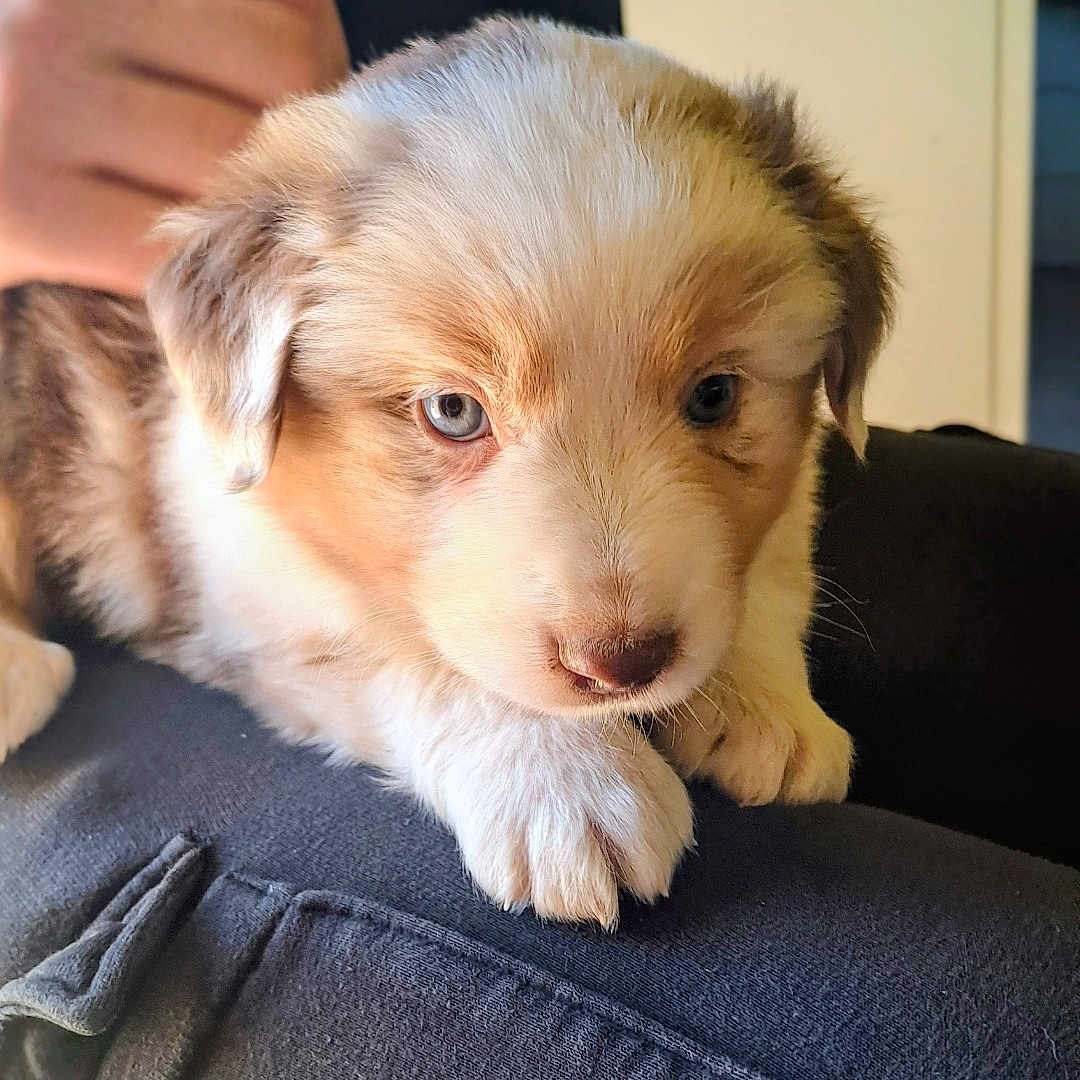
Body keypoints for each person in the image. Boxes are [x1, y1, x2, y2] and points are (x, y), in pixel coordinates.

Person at [1, 4, 1077, 1078]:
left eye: (710, 398)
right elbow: (241, 570)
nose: (617, 619)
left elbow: (784, 418)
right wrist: (467, 721)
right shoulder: (281, 318)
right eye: (453, 413)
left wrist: (758, 639)